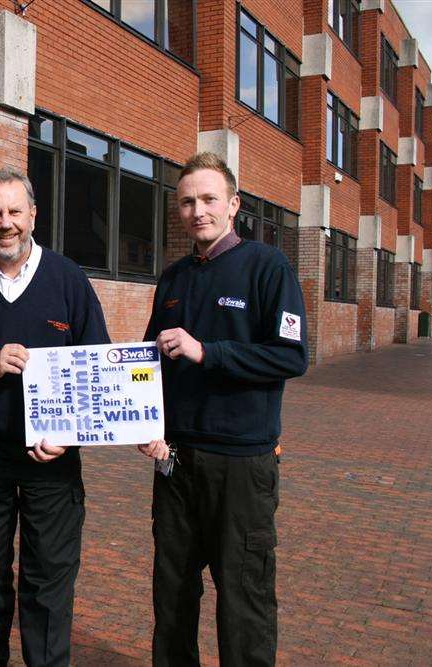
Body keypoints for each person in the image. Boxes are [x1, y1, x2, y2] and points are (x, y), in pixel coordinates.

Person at [0, 167, 110, 666]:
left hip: (51, 462)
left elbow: (97, 367)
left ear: (33, 214)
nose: (4, 223)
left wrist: (69, 437)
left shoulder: (68, 280)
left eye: (14, 211)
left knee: (48, 583)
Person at [140, 152, 307, 666]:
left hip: (242, 464)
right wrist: (146, 424)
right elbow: (147, 364)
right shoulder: (173, 278)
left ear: (233, 205)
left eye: (210, 199)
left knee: (244, 600)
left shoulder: (267, 266)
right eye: (187, 201)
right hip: (176, 462)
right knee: (172, 598)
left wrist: (206, 351)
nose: (198, 210)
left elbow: (291, 355)